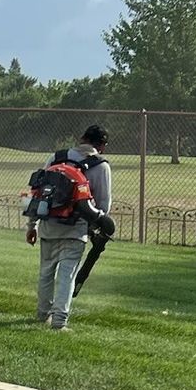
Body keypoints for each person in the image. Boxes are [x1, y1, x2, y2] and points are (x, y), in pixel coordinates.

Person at [26, 124, 113, 331]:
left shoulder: (57, 157)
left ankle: (42, 313)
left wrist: (32, 225)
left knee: (46, 272)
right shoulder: (101, 166)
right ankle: (59, 322)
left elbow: (39, 192)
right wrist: (96, 227)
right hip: (76, 228)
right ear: (102, 146)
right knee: (67, 275)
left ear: (81, 137)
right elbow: (103, 204)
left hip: (48, 224)